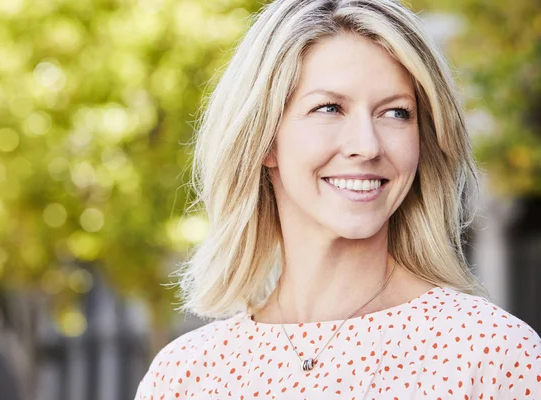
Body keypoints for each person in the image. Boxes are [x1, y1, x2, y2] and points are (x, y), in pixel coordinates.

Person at [135, 0, 541, 398]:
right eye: (330, 108)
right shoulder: (185, 376)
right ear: (264, 140)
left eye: (396, 112)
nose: (366, 145)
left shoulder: (493, 354)